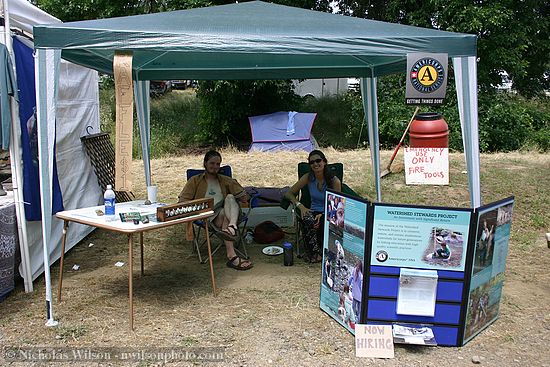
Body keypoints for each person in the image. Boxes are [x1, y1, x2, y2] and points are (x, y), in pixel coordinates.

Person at [178, 150, 253, 271]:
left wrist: (238, 190)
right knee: (224, 215)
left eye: (218, 164)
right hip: (208, 215)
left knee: (229, 197)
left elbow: (244, 197)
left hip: (229, 212)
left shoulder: (224, 179)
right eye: (212, 163)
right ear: (205, 163)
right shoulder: (195, 181)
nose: (215, 167)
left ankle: (232, 229)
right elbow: (182, 201)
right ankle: (232, 253)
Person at [284, 150, 341, 263]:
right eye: (312, 162)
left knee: (324, 221)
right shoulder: (308, 177)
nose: (315, 164)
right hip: (313, 210)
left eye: (318, 161)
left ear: (324, 162)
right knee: (308, 219)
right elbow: (289, 194)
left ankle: (325, 251)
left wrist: (324, 214)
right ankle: (315, 253)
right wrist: (300, 206)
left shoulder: (334, 181)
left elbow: (337, 204)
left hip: (330, 211)